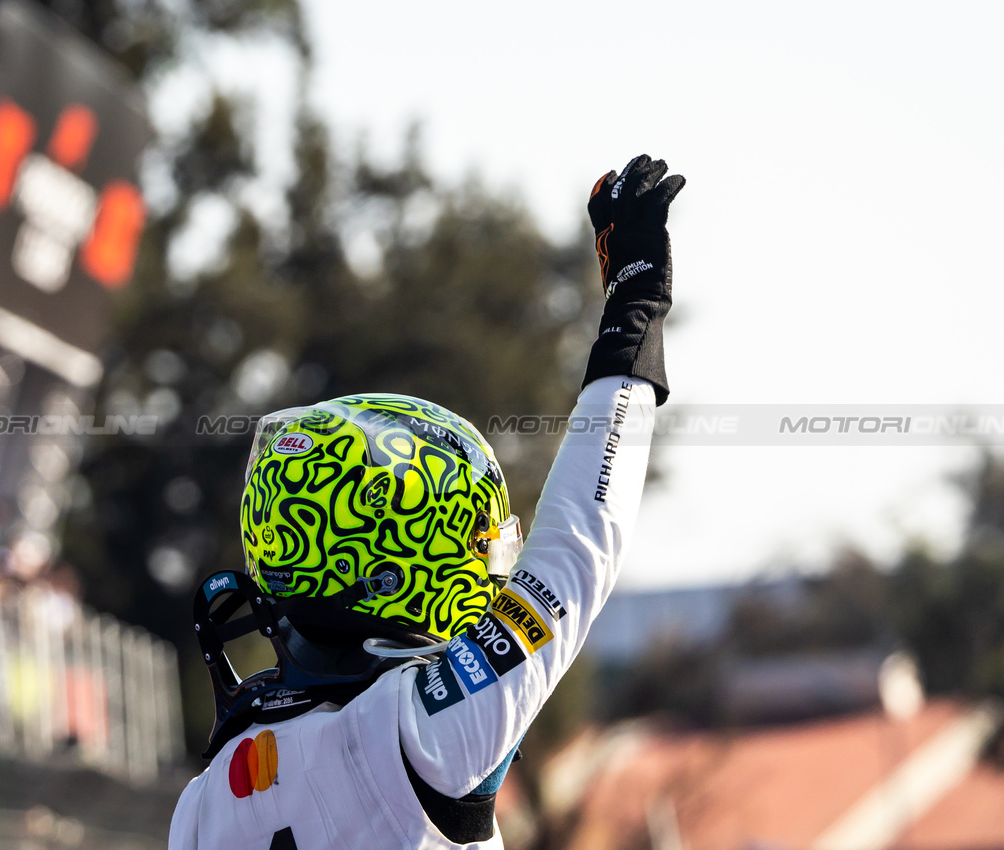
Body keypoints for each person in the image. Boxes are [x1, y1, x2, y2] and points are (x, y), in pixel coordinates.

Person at [169, 154, 685, 850]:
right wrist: (636, 305)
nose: (491, 558)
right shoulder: (424, 731)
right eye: (479, 540)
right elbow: (578, 542)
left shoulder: (202, 805)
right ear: (401, 555)